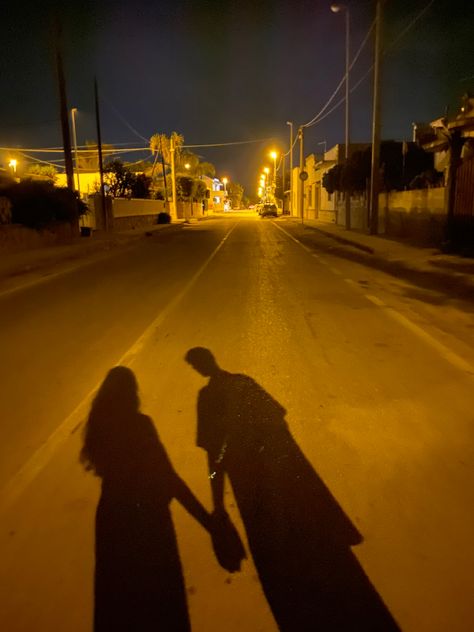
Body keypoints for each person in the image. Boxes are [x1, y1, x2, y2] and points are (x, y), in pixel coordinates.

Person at [185, 348, 400, 631]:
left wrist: (218, 502)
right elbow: (279, 416)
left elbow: (214, 457)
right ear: (213, 360)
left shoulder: (207, 399)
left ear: (198, 368)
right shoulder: (244, 383)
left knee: (275, 556)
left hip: (248, 486)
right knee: (310, 543)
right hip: (280, 477)